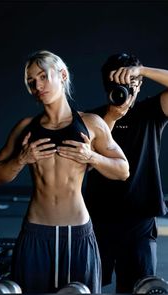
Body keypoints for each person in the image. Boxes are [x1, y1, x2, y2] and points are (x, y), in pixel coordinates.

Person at [0, 50, 130, 293]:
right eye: (31, 81)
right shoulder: (26, 128)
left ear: (62, 75)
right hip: (36, 233)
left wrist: (92, 157)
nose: (37, 85)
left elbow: (123, 170)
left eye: (43, 77)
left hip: (77, 234)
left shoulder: (91, 124)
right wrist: (22, 159)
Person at [84, 52, 168, 293]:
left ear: (139, 86)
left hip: (140, 217)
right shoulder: (92, 118)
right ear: (106, 86)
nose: (124, 89)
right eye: (116, 84)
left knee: (139, 288)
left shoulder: (152, 112)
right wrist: (111, 117)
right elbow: (86, 162)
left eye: (130, 83)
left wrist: (140, 71)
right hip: (98, 216)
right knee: (89, 286)